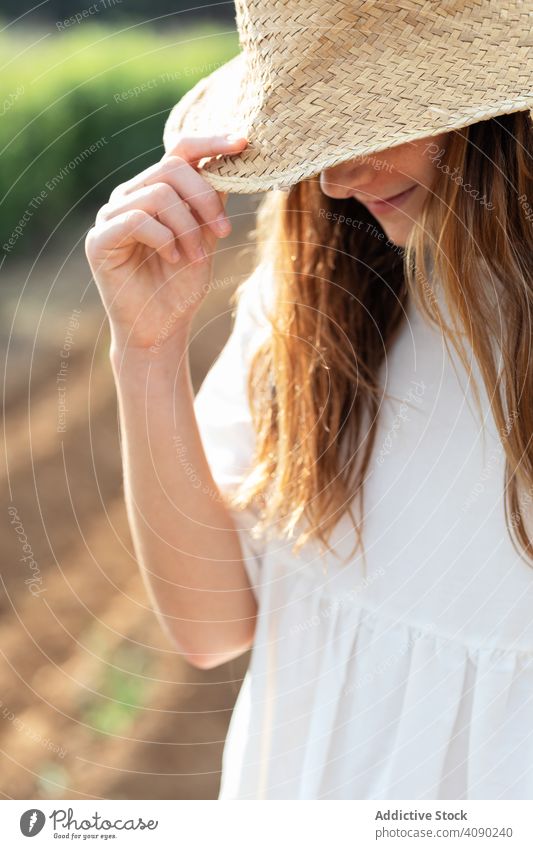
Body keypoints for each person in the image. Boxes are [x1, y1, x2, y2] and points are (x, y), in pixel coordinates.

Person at [86, 0, 533, 800]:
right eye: (320, 132)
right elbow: (210, 623)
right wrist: (146, 350)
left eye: (372, 116)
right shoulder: (325, 292)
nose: (332, 176)